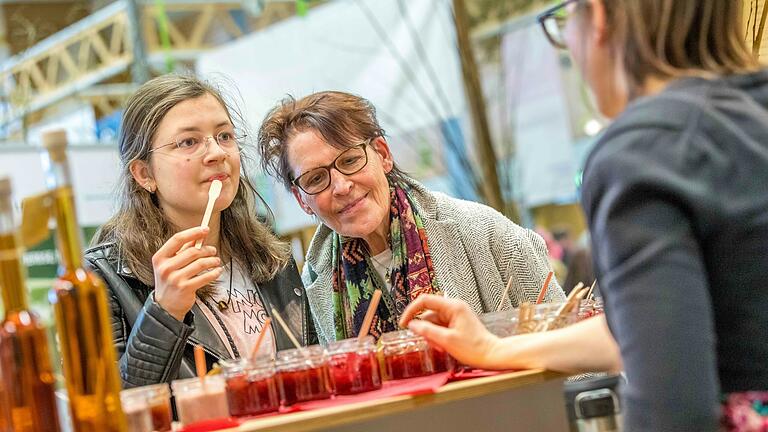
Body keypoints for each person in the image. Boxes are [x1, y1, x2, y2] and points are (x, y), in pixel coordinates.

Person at [400, 1, 768, 430]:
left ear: (597, 17)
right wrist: (494, 349)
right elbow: (651, 330)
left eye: (563, 21)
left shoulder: (642, 152)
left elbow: (673, 404)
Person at [256, 91, 564, 344]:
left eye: (350, 160)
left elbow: (575, 354)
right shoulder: (313, 284)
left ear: (383, 154)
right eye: (315, 179)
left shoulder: (486, 233)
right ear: (302, 200)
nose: (341, 186)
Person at [85, 74, 317, 388]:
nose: (217, 153)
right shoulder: (103, 278)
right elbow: (112, 410)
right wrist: (164, 312)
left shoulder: (270, 260)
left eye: (224, 136)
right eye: (189, 142)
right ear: (144, 174)